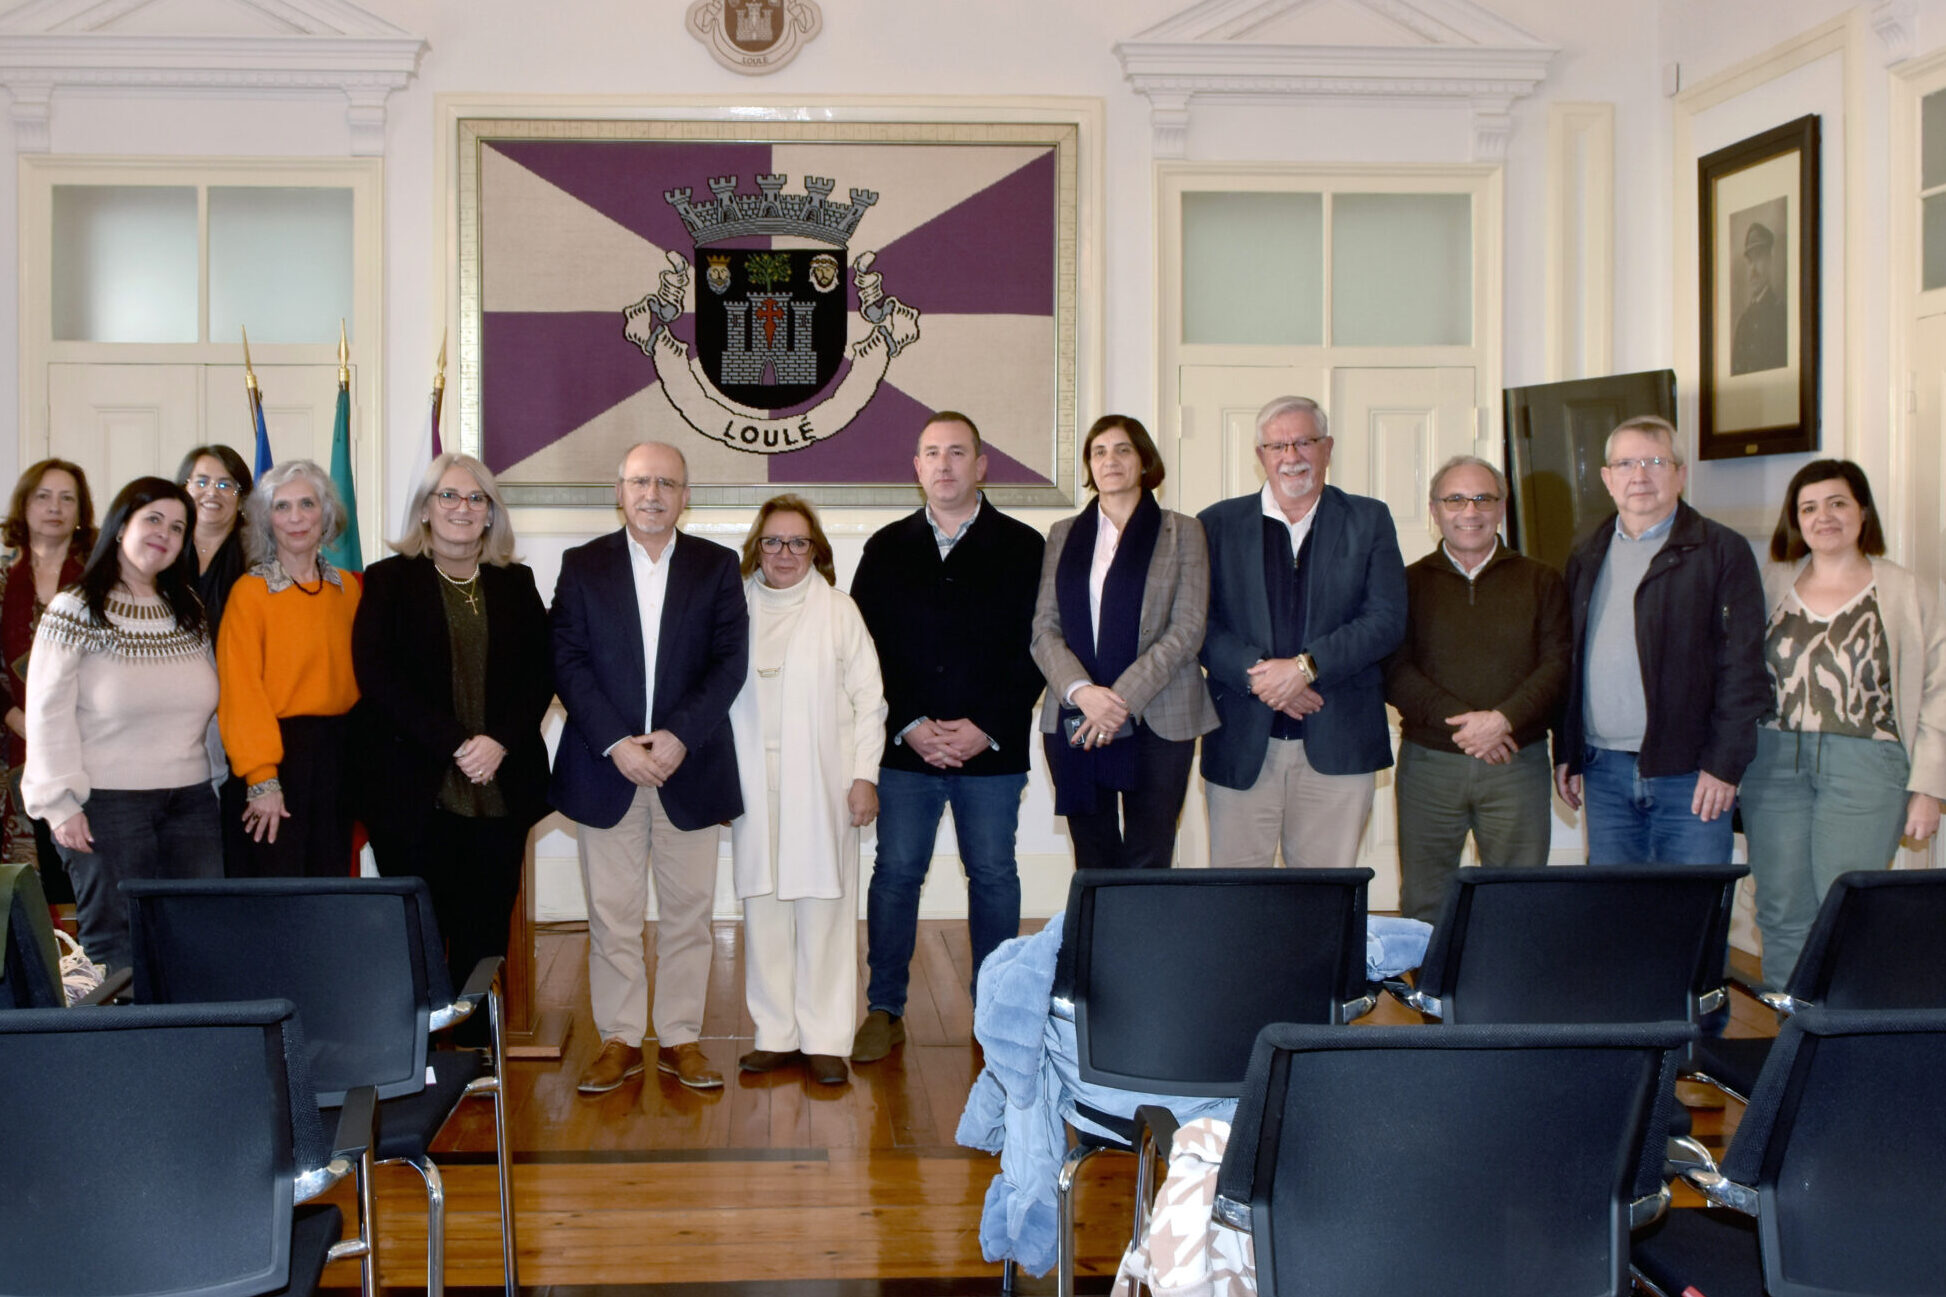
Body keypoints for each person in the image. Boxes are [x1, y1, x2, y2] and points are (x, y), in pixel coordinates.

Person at [848, 411, 1044, 1064]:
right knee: (896, 873)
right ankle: (884, 1007)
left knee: (992, 874)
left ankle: (994, 1012)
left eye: (957, 452)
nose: (944, 464)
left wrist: (985, 725)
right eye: (932, 452)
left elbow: (1039, 648)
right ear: (916, 467)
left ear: (981, 465)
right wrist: (908, 722)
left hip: (991, 751)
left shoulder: (1024, 546)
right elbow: (864, 650)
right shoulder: (886, 547)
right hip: (907, 751)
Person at [552, 441, 748, 1094]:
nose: (652, 494)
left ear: (686, 496)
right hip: (605, 766)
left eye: (666, 483)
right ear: (620, 491)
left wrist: (678, 737)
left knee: (690, 913)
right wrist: (617, 742)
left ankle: (682, 1037)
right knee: (613, 913)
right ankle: (619, 1037)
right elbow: (567, 660)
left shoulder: (717, 566)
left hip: (688, 765)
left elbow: (730, 661)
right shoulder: (583, 565)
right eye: (640, 481)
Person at [1738, 460, 1946, 990]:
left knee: (1848, 907)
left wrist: (1928, 789)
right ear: (1795, 520)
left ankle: (1844, 1032)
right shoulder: (1770, 583)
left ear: (1862, 511)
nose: (1823, 517)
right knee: (1781, 908)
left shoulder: (1905, 591)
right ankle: (1792, 1030)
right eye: (1809, 507)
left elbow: (1938, 693)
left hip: (1869, 767)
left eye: (1837, 503)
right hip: (1774, 764)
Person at [352, 453, 553, 993]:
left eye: (476, 498)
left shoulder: (515, 582)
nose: (462, 507)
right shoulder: (388, 580)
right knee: (418, 937)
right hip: (413, 790)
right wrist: (458, 744)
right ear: (425, 509)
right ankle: (419, 1041)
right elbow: (377, 676)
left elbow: (541, 673)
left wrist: (498, 743)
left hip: (499, 789)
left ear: (490, 514)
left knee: (483, 937)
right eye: (448, 495)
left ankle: (475, 1039)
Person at [20, 477, 220, 971]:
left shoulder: (188, 609)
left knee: (199, 942)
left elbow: (209, 709)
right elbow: (46, 712)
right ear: (120, 526)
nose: (165, 533)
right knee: (118, 951)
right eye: (153, 519)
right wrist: (59, 805)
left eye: (178, 527)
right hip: (106, 806)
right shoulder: (74, 610)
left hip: (192, 804)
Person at [1197, 395, 1406, 870]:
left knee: (1324, 898)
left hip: (1339, 738)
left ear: (1327, 448)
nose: (1291, 456)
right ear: (1261, 455)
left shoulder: (1368, 519)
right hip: (1242, 740)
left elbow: (1385, 619)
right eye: (1278, 446)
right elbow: (1199, 623)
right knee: (1235, 895)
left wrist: (1305, 669)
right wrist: (1263, 678)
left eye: (1304, 442)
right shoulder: (1216, 524)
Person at [1554, 415, 1768, 864]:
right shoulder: (1586, 554)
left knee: (1691, 904)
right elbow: (1569, 659)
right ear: (1607, 478)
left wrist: (1724, 765)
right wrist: (1567, 749)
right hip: (1604, 771)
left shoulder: (1721, 551)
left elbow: (1743, 669)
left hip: (1692, 774)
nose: (1639, 475)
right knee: (1615, 903)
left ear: (1680, 474)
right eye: (1625, 464)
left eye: (1655, 462)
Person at [727, 495, 885, 1086]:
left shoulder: (839, 611)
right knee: (763, 905)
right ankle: (775, 1034)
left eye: (798, 542)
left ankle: (823, 1038)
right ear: (756, 548)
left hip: (824, 782)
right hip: (753, 780)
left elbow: (870, 700)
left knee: (823, 908)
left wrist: (865, 776)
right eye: (772, 541)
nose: (784, 553)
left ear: (815, 550)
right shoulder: (733, 608)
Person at [1385, 456, 1571, 923]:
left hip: (1516, 762)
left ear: (1501, 508)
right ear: (1434, 510)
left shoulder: (1542, 580)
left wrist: (1502, 721)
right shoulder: (1406, 584)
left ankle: (1504, 973)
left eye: (1483, 499)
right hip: (1429, 766)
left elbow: (1557, 666)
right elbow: (1394, 670)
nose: (1470, 511)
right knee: (1425, 900)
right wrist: (1468, 726)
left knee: (1516, 900)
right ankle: (1429, 974)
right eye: (1455, 500)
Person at [1030, 414, 1215, 869]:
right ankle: (1098, 924)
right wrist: (1083, 693)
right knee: (1092, 854)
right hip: (1076, 714)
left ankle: (1144, 924)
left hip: (1160, 716)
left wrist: (1119, 700)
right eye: (1099, 452)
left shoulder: (1183, 531)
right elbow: (1044, 629)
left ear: (1144, 460)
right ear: (1090, 467)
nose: (1110, 460)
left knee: (1149, 855)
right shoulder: (1063, 535)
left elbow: (1188, 628)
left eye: (1123, 450)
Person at [216, 459, 362, 878]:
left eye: (307, 504)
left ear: (326, 515)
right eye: (282, 507)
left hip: (337, 758)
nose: (296, 517)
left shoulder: (347, 590)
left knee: (329, 885)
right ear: (267, 520)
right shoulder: (250, 593)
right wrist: (262, 777)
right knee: (276, 891)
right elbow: (240, 692)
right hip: (276, 759)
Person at [0, 459, 96, 901]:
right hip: (10, 747)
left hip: (88, 747)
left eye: (66, 498)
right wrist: (18, 719)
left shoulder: (101, 581)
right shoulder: (3, 578)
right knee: (21, 895)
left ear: (80, 512)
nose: (55, 507)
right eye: (43, 497)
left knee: (82, 881)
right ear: (24, 506)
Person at [175, 444, 254, 638]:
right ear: (184, 490)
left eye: (225, 485)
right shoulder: (165, 547)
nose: (212, 493)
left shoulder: (259, 556)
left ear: (241, 500)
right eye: (201, 482)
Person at [1731, 221, 1787, 376]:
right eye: (1750, 261)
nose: (1753, 269)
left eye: (1759, 258)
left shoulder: (1781, 315)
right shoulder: (1743, 322)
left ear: (1770, 260)